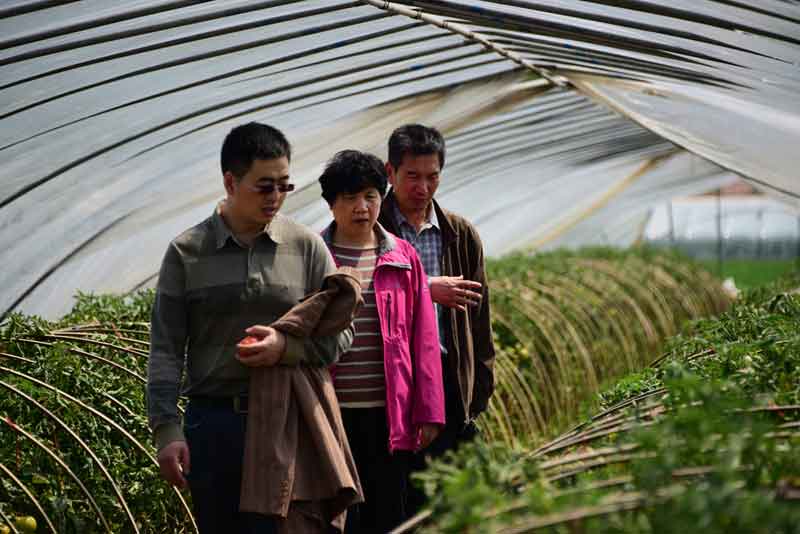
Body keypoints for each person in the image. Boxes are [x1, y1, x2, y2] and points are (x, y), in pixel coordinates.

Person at [147, 122, 354, 533]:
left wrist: (286, 349)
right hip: (216, 425)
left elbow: (343, 334)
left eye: (284, 185)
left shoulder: (306, 246)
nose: (275, 197)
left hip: (287, 420)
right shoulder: (187, 251)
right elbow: (166, 348)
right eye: (264, 186)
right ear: (230, 181)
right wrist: (167, 430)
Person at [318, 150, 445, 533]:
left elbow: (424, 337)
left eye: (371, 196)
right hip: (330, 412)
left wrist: (429, 410)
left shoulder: (401, 257)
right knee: (339, 515)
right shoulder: (315, 256)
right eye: (350, 198)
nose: (362, 207)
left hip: (390, 412)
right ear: (331, 203)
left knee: (389, 512)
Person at [379, 124, 495, 458]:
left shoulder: (459, 233)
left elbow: (479, 318)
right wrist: (426, 288)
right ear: (391, 172)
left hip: (448, 373)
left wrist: (479, 386)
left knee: (450, 486)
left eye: (433, 176)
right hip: (396, 375)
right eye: (413, 176)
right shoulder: (374, 232)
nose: (423, 187)